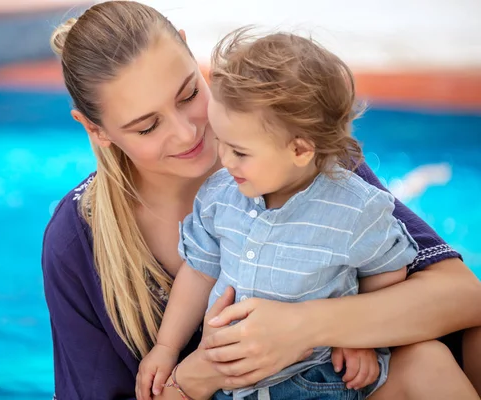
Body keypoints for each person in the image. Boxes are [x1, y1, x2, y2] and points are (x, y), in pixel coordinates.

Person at [42, 1, 481, 399]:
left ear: (190, 51)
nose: (188, 133)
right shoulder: (75, 239)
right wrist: (199, 375)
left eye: (189, 94)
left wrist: (303, 326)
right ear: (95, 129)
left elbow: (462, 297)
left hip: (332, 384)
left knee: (437, 355)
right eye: (146, 127)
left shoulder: (294, 156)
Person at [137, 28, 419, 400]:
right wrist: (166, 348)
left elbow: (387, 270)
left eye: (239, 151)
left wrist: (361, 336)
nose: (224, 160)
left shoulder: (355, 208)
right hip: (232, 384)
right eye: (221, 142)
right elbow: (199, 272)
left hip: (318, 380)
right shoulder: (221, 195)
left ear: (300, 150)